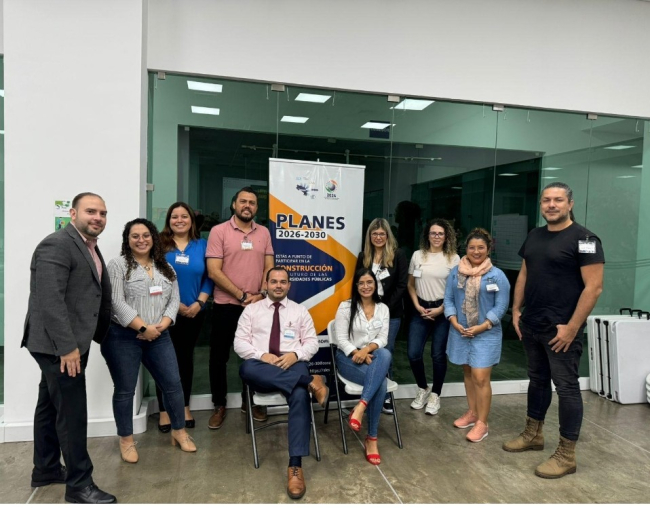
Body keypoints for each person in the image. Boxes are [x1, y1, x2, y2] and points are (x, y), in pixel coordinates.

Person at [503, 182, 604, 479]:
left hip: (561, 330)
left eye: (558, 200)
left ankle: (566, 455)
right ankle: (533, 434)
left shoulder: (586, 240)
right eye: (546, 200)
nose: (551, 205)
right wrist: (516, 310)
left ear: (570, 204)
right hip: (532, 324)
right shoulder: (535, 235)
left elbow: (594, 287)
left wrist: (572, 327)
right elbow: (525, 273)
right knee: (537, 380)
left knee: (567, 388)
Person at [22, 192, 116, 504]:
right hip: (59, 346)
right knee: (72, 414)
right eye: (91, 211)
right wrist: (67, 348)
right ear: (73, 214)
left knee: (49, 405)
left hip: (68, 342)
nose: (98, 218)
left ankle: (46, 468)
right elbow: (49, 301)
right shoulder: (57, 244)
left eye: (102, 213)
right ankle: (79, 484)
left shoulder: (88, 245)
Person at [102, 218, 197, 463]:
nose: (141, 240)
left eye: (146, 235)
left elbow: (174, 299)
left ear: (153, 238)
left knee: (173, 384)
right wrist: (143, 327)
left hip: (159, 335)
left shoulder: (165, 266)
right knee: (125, 390)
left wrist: (161, 326)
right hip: (123, 337)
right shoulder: (118, 265)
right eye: (135, 236)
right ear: (128, 240)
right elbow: (116, 301)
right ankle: (126, 440)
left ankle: (179, 431)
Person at [234, 267, 328, 499]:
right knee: (246, 368)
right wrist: (261, 355)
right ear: (266, 284)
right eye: (274, 281)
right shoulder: (251, 311)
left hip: (291, 364)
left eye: (283, 282)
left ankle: (295, 466)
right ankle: (310, 381)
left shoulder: (299, 311)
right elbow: (239, 343)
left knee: (299, 395)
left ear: (289, 285)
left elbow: (312, 343)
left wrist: (295, 355)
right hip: (262, 368)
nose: (278, 285)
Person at [206, 186, 274, 429]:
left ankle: (251, 401)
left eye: (252, 203)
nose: (247, 206)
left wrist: (261, 294)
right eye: (243, 201)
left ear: (256, 208)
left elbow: (269, 267)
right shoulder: (219, 231)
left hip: (256, 306)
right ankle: (219, 404)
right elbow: (214, 271)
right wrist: (241, 295)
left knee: (254, 356)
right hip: (225, 305)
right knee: (219, 357)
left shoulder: (264, 232)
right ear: (234, 204)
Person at [444, 228, 510, 442]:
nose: (476, 251)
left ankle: (482, 423)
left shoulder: (497, 276)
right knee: (468, 373)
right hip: (461, 331)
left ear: (488, 249)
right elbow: (448, 299)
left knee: (480, 377)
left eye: (481, 247)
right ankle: (472, 413)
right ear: (466, 249)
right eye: (472, 247)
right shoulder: (456, 272)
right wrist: (453, 320)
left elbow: (501, 306)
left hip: (486, 333)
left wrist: (483, 325)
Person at [156, 202, 214, 432]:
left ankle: (184, 406)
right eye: (174, 216)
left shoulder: (202, 245)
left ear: (191, 220)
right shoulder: (159, 244)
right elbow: (153, 276)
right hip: (164, 313)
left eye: (184, 216)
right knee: (162, 361)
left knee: (185, 360)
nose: (179, 220)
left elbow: (209, 277)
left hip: (194, 313)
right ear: (169, 220)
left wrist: (200, 302)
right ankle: (163, 409)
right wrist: (174, 305)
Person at [334, 268, 391, 466]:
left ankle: (361, 406)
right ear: (356, 286)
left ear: (375, 284)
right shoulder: (345, 307)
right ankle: (372, 438)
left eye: (369, 282)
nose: (366, 286)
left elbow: (382, 338)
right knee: (380, 384)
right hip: (347, 358)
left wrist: (366, 350)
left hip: (372, 357)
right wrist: (356, 353)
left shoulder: (383, 308)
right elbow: (341, 339)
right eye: (361, 283)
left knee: (385, 353)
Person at [406, 218, 460, 415]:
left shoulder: (453, 258)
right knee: (413, 353)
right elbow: (411, 284)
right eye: (433, 233)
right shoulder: (417, 255)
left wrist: (442, 309)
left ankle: (436, 394)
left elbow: (457, 290)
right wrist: (417, 306)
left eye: (440, 234)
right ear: (427, 235)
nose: (437, 237)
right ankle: (423, 388)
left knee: (437, 354)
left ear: (446, 237)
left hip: (442, 311)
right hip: (420, 308)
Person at [355, 218, 408, 414]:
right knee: (366, 348)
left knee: (386, 352)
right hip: (366, 312)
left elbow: (402, 285)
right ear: (369, 236)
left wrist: (383, 308)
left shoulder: (398, 255)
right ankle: (371, 390)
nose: (378, 237)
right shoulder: (364, 256)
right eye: (374, 234)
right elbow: (357, 282)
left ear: (388, 236)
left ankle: (385, 395)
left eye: (382, 234)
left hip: (391, 313)